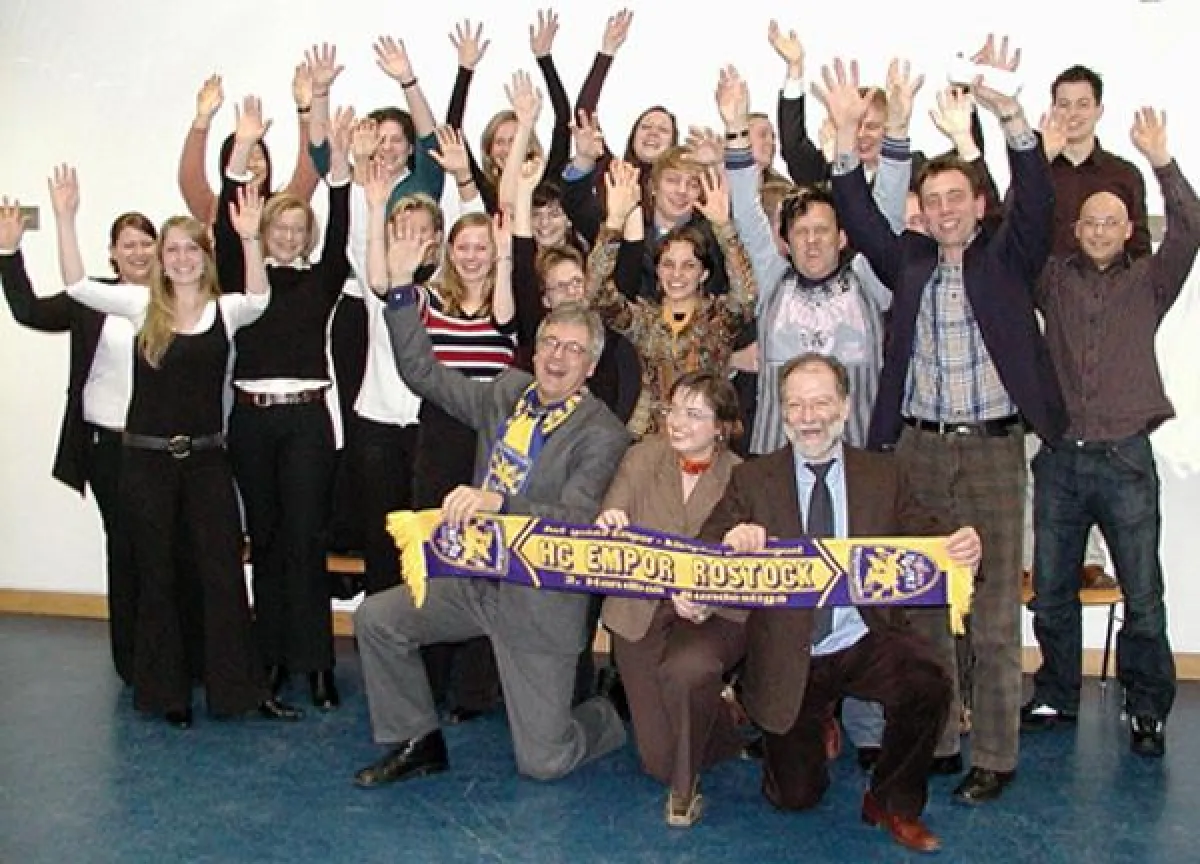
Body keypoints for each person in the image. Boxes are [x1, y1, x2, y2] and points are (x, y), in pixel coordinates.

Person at [824, 46, 1066, 804]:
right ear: (922, 212)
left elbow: (1037, 198)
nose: (945, 209)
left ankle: (994, 754)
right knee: (925, 606)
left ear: (979, 204)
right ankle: (937, 739)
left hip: (994, 452)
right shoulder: (909, 261)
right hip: (919, 451)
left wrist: (1010, 113)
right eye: (933, 201)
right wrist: (844, 136)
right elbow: (857, 213)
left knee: (991, 615)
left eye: (957, 196)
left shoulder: (1008, 256)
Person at [350, 209, 629, 785]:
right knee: (377, 618)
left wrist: (501, 505)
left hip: (539, 600)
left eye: (572, 350)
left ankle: (609, 714)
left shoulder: (602, 432)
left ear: (591, 364)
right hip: (476, 581)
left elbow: (578, 518)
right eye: (549, 343)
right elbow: (425, 375)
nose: (556, 357)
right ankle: (418, 739)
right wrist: (400, 292)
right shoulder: (507, 392)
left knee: (544, 762)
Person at [698, 353, 980, 853]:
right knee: (795, 798)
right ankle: (808, 724)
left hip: (862, 635)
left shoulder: (883, 474)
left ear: (845, 407)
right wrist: (732, 540)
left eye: (821, 403)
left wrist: (963, 547)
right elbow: (706, 547)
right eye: (796, 405)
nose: (808, 417)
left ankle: (892, 801)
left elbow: (929, 535)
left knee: (930, 683)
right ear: (782, 412)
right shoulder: (753, 479)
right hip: (790, 649)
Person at [52, 166, 300, 727]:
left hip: (207, 461)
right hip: (146, 463)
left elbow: (260, 297)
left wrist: (251, 238)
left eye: (192, 248)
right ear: (161, 260)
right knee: (157, 575)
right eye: (173, 250)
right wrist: (65, 218)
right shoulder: (140, 306)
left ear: (205, 257)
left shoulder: (225, 310)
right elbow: (77, 286)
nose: (182, 258)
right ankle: (167, 694)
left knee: (222, 574)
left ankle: (238, 691)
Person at [1023, 107, 1198, 758]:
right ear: (1076, 229)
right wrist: (1039, 159)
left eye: (1111, 222)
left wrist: (1162, 161)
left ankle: (1146, 708)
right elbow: (1015, 229)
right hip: (1061, 460)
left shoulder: (1151, 280)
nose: (1099, 230)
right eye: (1089, 222)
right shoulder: (1051, 278)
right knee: (1051, 593)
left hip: (1126, 458)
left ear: (1130, 230)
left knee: (1144, 594)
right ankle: (1056, 693)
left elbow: (1191, 225)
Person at [213, 96, 353, 708]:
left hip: (306, 423)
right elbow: (228, 224)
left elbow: (342, 223)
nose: (291, 236)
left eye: (300, 229)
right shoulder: (242, 277)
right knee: (266, 542)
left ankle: (316, 665)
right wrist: (242, 149)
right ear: (264, 229)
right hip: (251, 421)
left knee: (305, 541)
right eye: (281, 227)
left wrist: (340, 166)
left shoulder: (321, 278)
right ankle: (269, 661)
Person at [0, 204, 154, 685]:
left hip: (163, 449)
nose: (138, 252)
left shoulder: (178, 299)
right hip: (109, 447)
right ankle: (131, 661)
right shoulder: (91, 298)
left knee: (169, 551)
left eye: (146, 242)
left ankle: (173, 656)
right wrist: (8, 250)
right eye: (128, 244)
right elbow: (29, 311)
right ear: (113, 253)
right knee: (125, 549)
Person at [597, 371, 747, 827]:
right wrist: (610, 519)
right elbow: (612, 508)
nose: (677, 421)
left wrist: (705, 596)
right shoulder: (642, 456)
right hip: (640, 606)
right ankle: (722, 718)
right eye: (673, 409)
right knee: (656, 760)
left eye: (694, 414)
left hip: (709, 613)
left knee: (685, 676)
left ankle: (685, 788)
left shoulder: (742, 476)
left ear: (721, 427)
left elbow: (745, 568)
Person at [586, 160, 757, 438]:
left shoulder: (718, 318)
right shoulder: (643, 319)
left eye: (689, 266)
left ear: (703, 274)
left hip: (705, 437)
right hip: (647, 439)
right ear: (657, 271)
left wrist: (724, 227)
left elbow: (746, 294)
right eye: (668, 265)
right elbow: (595, 294)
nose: (677, 275)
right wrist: (614, 222)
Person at [176, 67, 319, 225]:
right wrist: (202, 118)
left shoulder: (282, 209)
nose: (251, 165)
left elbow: (308, 170)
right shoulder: (214, 209)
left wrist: (305, 110)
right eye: (244, 157)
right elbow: (190, 179)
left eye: (258, 157)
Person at [1045, 64, 1152, 259]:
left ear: (1099, 110)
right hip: (1039, 278)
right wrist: (1040, 161)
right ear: (1053, 110)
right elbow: (1010, 228)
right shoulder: (1037, 170)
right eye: (1064, 105)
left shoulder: (1125, 174)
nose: (1072, 113)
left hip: (1105, 279)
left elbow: (1139, 250)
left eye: (1083, 104)